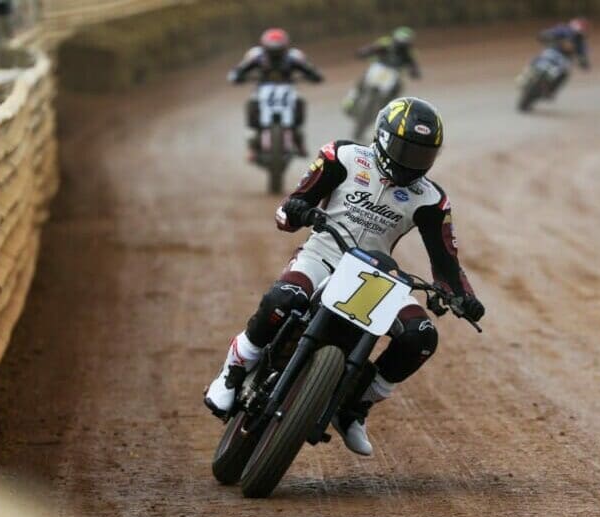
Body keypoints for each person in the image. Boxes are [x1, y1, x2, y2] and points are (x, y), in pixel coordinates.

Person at [204, 97, 485, 456]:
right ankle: (233, 370)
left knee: (421, 337)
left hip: (376, 276)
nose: (411, 161)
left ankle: (354, 406)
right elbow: (290, 209)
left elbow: (446, 264)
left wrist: (462, 296)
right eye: (404, 149)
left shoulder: (432, 199)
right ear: (382, 137)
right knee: (282, 299)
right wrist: (298, 210)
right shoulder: (342, 156)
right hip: (323, 254)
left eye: (421, 155)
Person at [228, 28, 323, 157]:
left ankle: (299, 140)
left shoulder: (293, 57)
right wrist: (236, 76)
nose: (275, 54)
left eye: (278, 50)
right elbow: (239, 69)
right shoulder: (256, 56)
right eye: (272, 50)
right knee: (252, 103)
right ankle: (252, 144)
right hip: (262, 90)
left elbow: (310, 70)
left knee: (299, 102)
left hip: (288, 90)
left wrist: (315, 76)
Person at [343, 26, 420, 114]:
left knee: (398, 88)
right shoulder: (386, 42)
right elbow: (372, 48)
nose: (402, 42)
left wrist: (414, 72)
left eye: (405, 40)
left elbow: (414, 65)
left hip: (394, 74)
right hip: (378, 67)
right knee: (362, 81)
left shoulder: (410, 52)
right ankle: (351, 100)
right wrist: (363, 52)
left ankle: (388, 109)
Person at [536, 17, 591, 99]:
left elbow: (583, 56)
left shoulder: (581, 42)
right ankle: (531, 73)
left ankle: (550, 91)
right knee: (538, 59)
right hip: (552, 51)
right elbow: (546, 33)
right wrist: (547, 37)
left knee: (565, 74)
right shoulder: (563, 29)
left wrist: (584, 63)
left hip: (563, 60)